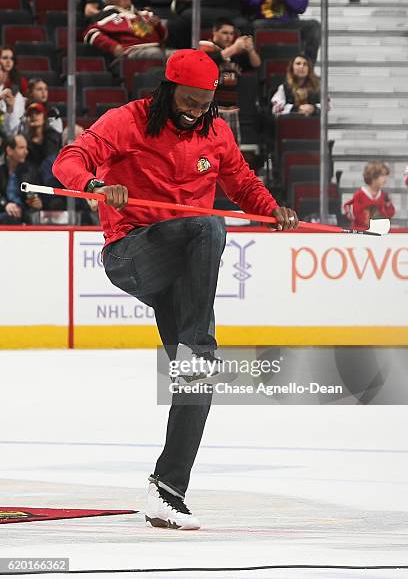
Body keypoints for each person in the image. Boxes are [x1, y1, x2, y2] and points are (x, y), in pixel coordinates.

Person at [52, 49, 298, 529]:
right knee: (207, 226)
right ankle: (198, 343)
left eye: (204, 103)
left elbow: (243, 183)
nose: (195, 110)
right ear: (167, 89)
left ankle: (167, 491)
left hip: (183, 268)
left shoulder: (216, 131)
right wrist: (97, 184)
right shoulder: (128, 120)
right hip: (132, 253)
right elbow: (70, 159)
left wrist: (272, 210)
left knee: (198, 375)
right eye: (187, 100)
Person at [200, 17, 261, 142]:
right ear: (214, 32)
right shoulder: (206, 47)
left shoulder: (235, 53)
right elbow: (210, 61)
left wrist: (250, 50)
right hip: (210, 110)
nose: (228, 37)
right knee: (208, 148)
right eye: (225, 33)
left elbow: (256, 64)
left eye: (231, 34)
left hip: (231, 111)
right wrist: (234, 48)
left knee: (231, 150)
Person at [243, 0, 321, 63]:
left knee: (314, 26)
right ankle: (257, 69)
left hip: (290, 23)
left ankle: (308, 68)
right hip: (264, 23)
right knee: (252, 26)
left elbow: (301, 7)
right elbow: (249, 5)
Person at [83, 0, 167, 60]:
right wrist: (113, 47)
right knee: (158, 54)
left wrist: (158, 25)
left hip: (157, 48)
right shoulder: (105, 16)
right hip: (132, 53)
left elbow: (163, 36)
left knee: (177, 56)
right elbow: (90, 33)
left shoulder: (144, 13)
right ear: (110, 0)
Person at [0, 134, 42, 225]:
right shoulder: (1, 171)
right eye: (21, 148)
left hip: (23, 215)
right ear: (9, 150)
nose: (26, 152)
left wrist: (36, 202)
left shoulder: (30, 172)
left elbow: (33, 197)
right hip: (4, 212)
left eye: (26, 148)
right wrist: (5, 204)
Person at [344, 160, 395, 229]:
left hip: (378, 232)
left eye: (386, 175)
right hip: (361, 232)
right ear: (373, 176)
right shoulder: (360, 195)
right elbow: (354, 213)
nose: (385, 178)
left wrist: (388, 206)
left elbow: (390, 214)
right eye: (382, 175)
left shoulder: (384, 195)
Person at [23, 102, 62, 174]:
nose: (33, 116)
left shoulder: (54, 137)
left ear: (44, 117)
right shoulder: (23, 141)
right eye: (30, 114)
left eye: (37, 113)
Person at [0, 65, 26, 139]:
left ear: (6, 74)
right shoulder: (3, 94)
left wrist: (10, 109)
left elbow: (11, 131)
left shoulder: (16, 95)